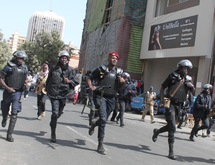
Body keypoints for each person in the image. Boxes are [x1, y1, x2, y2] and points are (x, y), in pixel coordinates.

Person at [152, 59, 195, 160]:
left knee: (171, 126)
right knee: (172, 128)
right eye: (185, 68)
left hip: (179, 106)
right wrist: (162, 100)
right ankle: (171, 152)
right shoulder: (172, 76)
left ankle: (157, 131)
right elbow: (163, 87)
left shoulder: (188, 80)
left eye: (188, 69)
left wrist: (191, 87)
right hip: (170, 104)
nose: (186, 71)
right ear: (180, 67)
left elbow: (192, 92)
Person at [87, 51, 124, 155]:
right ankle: (100, 144)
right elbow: (89, 78)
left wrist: (122, 82)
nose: (114, 60)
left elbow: (121, 87)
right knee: (103, 119)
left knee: (103, 120)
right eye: (112, 58)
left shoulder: (119, 72)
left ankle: (95, 124)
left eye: (116, 59)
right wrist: (91, 86)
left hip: (112, 98)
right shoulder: (101, 69)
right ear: (109, 59)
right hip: (101, 96)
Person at [46, 50, 79, 143]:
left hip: (64, 95)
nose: (64, 59)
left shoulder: (71, 70)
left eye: (65, 58)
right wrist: (47, 91)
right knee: (55, 113)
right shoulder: (54, 69)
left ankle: (53, 121)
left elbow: (76, 81)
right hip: (54, 94)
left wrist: (69, 81)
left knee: (58, 114)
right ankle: (53, 133)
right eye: (62, 58)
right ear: (59, 59)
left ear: (68, 59)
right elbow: (48, 81)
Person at [0, 50, 28, 142]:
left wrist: (25, 83)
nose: (22, 60)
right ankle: (4, 118)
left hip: (17, 93)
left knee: (14, 113)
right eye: (20, 58)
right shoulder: (8, 67)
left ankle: (9, 134)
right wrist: (7, 88)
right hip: (8, 92)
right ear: (16, 58)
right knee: (5, 110)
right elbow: (1, 79)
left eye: (23, 59)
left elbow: (24, 79)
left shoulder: (25, 68)